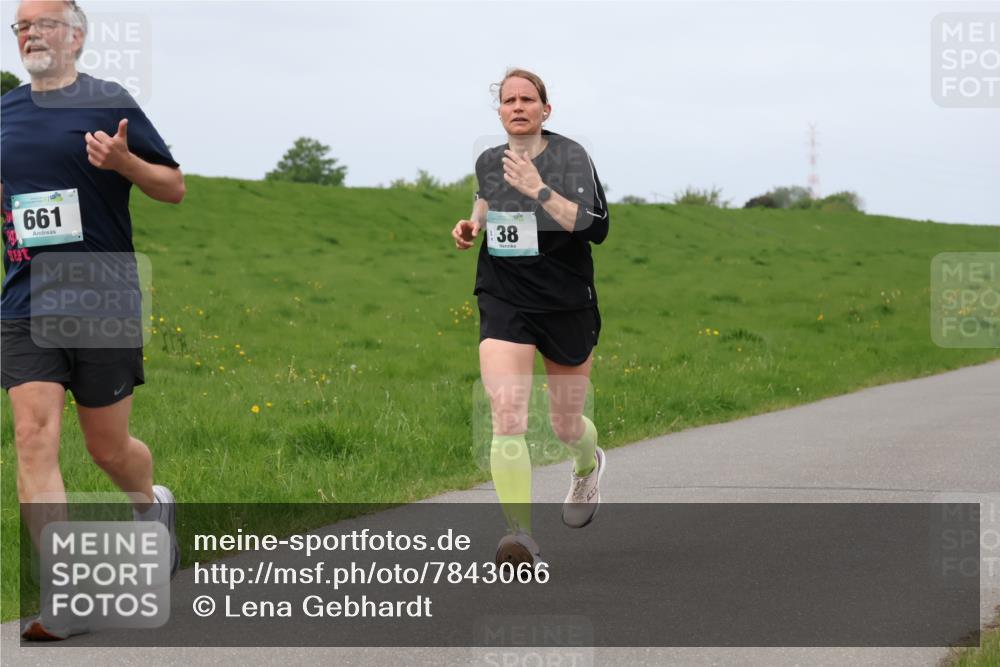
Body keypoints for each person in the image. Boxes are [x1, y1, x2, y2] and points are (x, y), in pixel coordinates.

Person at [2, 0, 185, 640]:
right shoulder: (5, 113)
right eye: (20, 25)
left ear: (76, 35)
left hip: (101, 291)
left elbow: (173, 187)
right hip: (26, 297)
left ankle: (150, 504)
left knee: (107, 448)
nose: (28, 32)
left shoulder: (111, 101)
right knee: (33, 435)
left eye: (43, 22)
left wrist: (125, 164)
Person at [452, 68, 610, 567]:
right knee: (508, 414)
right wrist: (473, 223)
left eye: (528, 99)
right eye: (508, 100)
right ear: (499, 112)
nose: (518, 106)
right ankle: (518, 537)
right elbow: (487, 195)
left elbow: (596, 228)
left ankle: (587, 463)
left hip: (565, 303)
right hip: (505, 298)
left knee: (565, 426)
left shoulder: (572, 158)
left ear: (546, 109)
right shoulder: (488, 159)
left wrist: (539, 189)